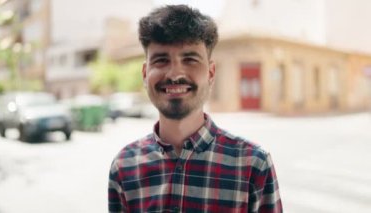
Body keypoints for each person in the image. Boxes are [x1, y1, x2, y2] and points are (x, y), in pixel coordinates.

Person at [108, 4, 282, 213]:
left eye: (190, 59)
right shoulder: (124, 166)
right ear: (145, 74)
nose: (174, 74)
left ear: (210, 73)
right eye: (161, 60)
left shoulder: (254, 165)